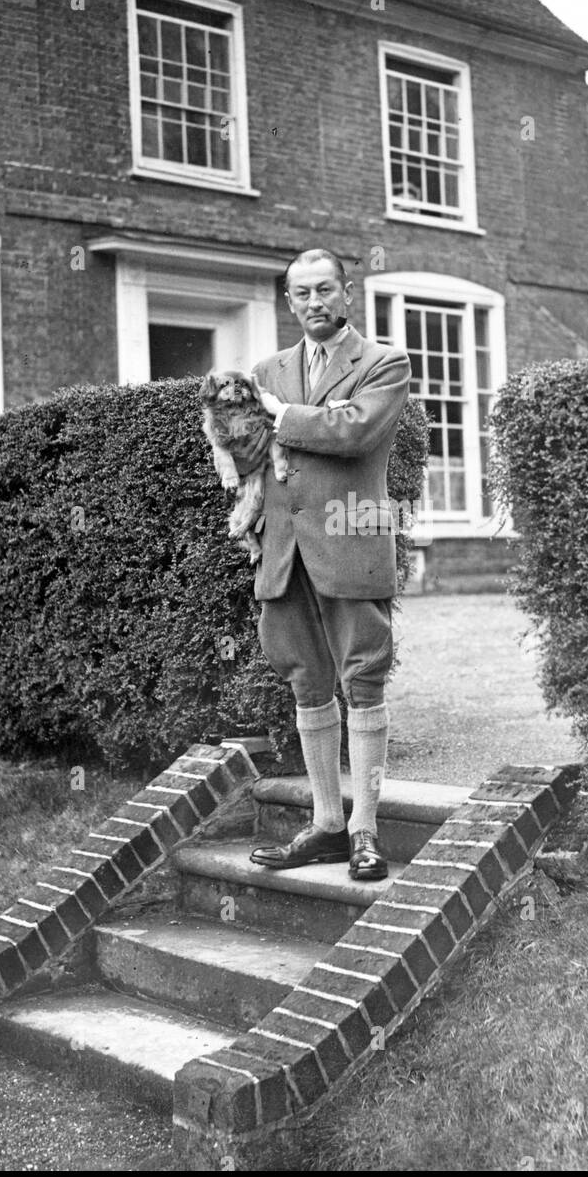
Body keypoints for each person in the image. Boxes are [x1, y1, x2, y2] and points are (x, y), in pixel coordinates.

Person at [246, 248, 411, 880]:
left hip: (351, 540)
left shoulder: (383, 363)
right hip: (284, 551)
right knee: (306, 684)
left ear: (347, 294)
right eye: (301, 294)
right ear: (289, 302)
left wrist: (280, 416)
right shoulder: (267, 369)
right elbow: (248, 451)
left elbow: (356, 432)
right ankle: (325, 825)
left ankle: (366, 831)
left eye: (325, 290)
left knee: (363, 680)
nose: (314, 303)